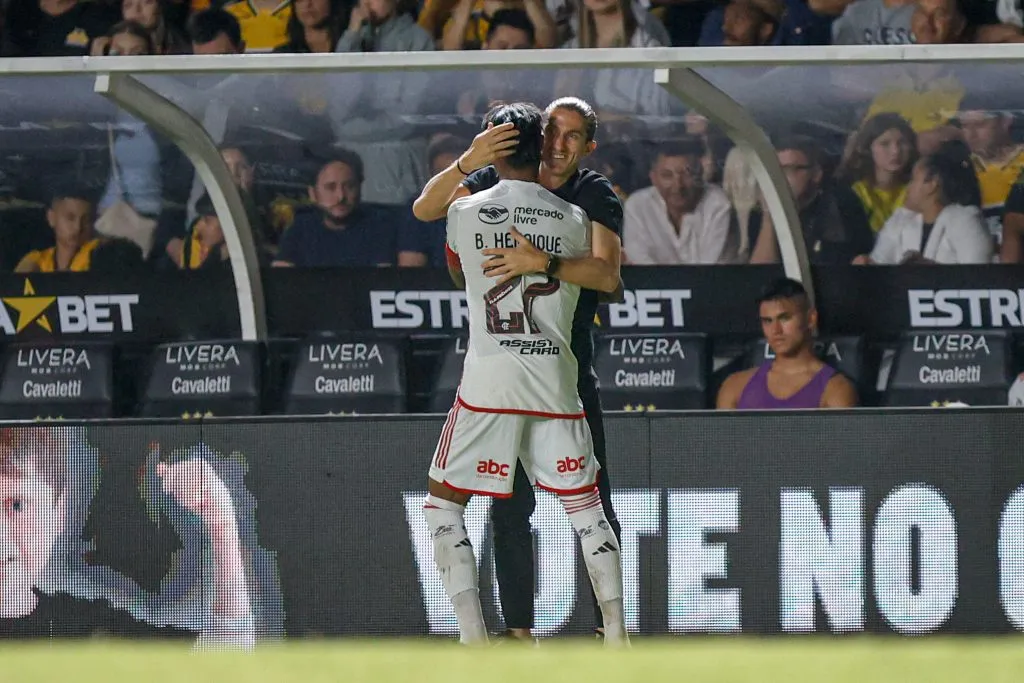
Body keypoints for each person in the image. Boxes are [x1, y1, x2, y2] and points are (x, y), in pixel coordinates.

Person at [413, 96, 624, 641]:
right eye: (553, 132)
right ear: (539, 138)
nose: (559, 143)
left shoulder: (579, 193)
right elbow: (598, 270)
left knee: (449, 502)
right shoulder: (574, 217)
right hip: (553, 373)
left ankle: (480, 639)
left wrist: (538, 260)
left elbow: (443, 239)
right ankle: (550, 632)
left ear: (587, 146)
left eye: (573, 136)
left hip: (512, 373)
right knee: (573, 506)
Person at [717, 278, 859, 410]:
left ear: (811, 319)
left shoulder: (836, 390)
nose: (776, 330)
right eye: (767, 321)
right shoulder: (735, 386)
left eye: (784, 318)